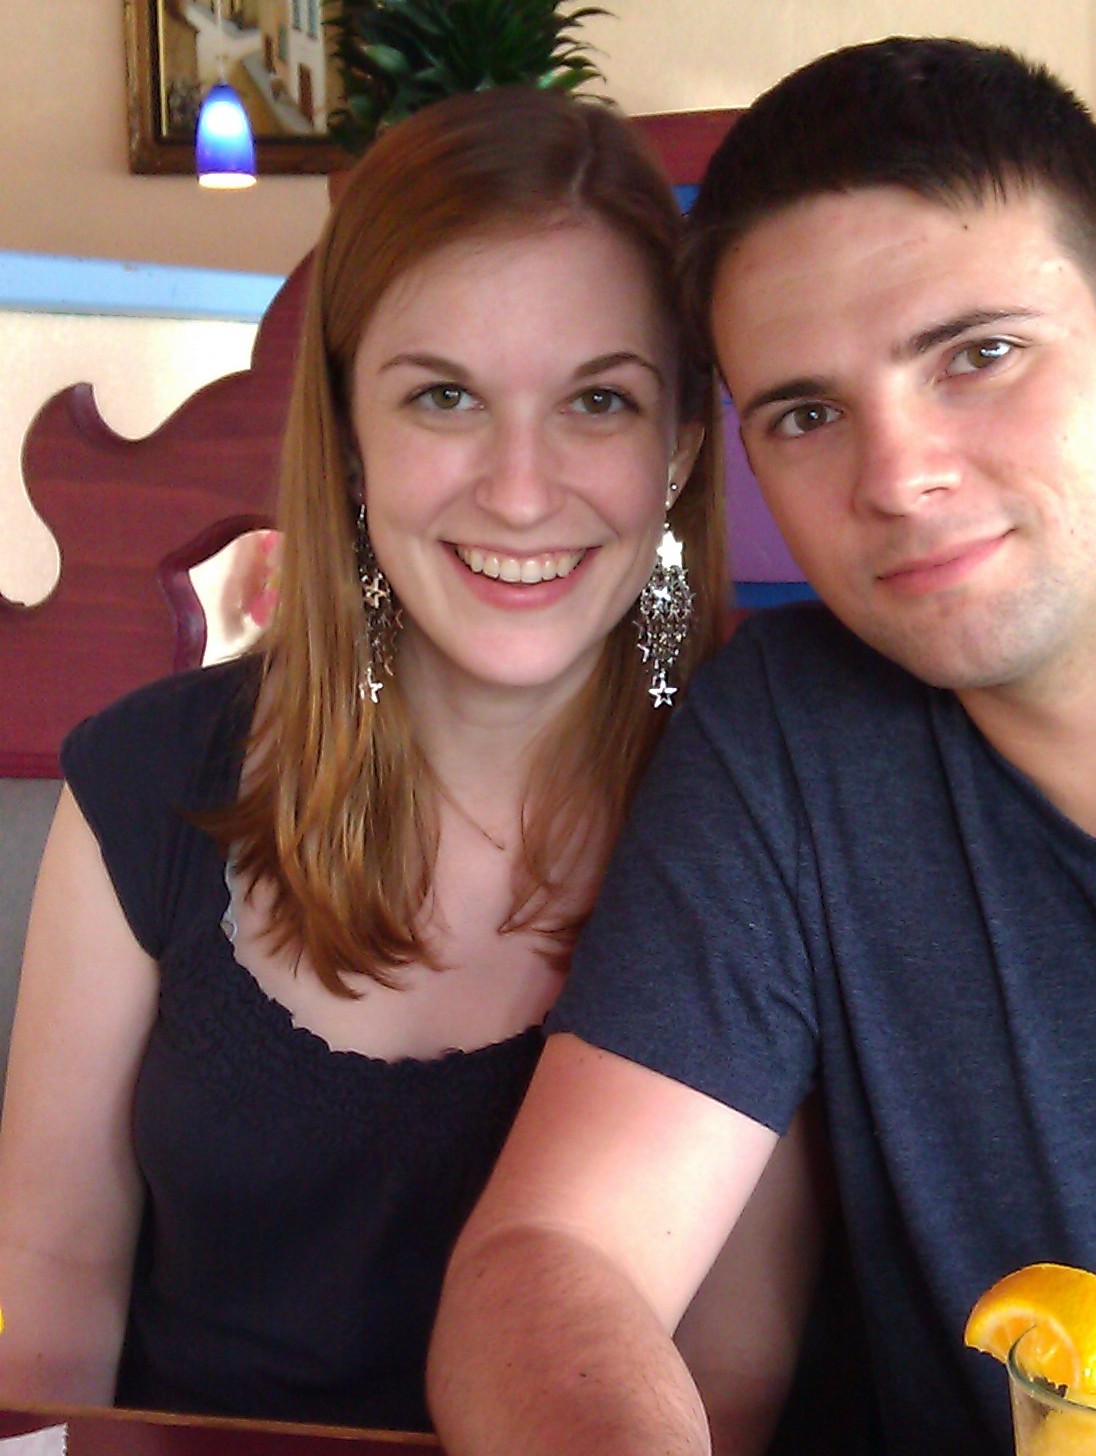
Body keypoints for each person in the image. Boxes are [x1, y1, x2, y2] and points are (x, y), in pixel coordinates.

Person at [427, 37, 1096, 1456]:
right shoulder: (786, 732)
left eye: (979, 356)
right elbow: (554, 1259)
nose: (898, 477)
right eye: (807, 414)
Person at [0, 87, 822, 1442]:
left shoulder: (767, 816)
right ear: (348, 436)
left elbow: (730, 1379)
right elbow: (52, 1284)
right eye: (445, 397)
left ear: (679, 445)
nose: (519, 489)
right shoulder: (144, 782)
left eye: (599, 401)